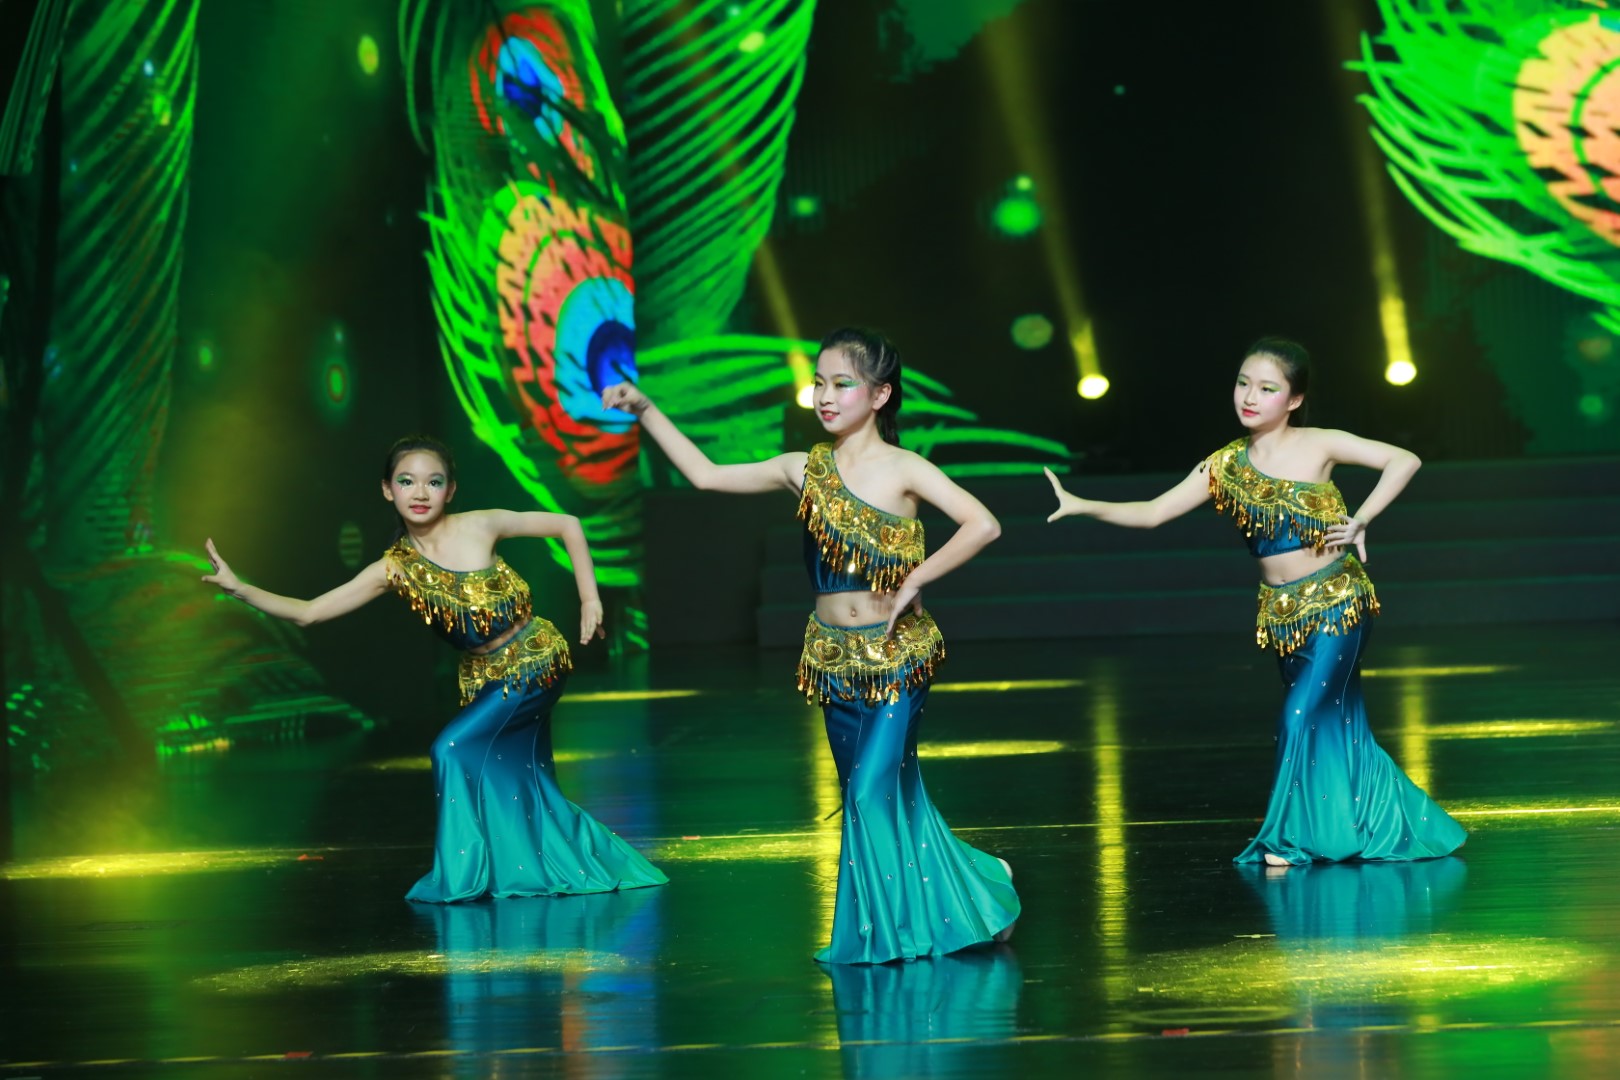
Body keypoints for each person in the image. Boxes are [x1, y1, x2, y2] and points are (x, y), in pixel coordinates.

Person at [602, 327, 1019, 963]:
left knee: (870, 793)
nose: (825, 396)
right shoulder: (803, 468)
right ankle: (978, 887)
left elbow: (982, 524)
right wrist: (645, 408)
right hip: (832, 659)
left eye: (842, 384)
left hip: (897, 655)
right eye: (819, 383)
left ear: (879, 395)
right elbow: (705, 475)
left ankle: (890, 935)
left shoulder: (905, 468)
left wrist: (917, 577)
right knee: (886, 793)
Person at [1045, 337, 1466, 866]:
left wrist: (1361, 518)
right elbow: (1154, 512)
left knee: (1298, 716)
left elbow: (1404, 459)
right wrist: (1082, 504)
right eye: (1244, 383)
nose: (1250, 397)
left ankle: (1288, 840)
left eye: (1267, 388)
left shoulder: (1320, 443)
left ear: (1294, 399)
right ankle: (1377, 825)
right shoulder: (1225, 464)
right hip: (1282, 614)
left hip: (1338, 602)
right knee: (1336, 722)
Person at [200, 435, 668, 901]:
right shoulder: (395, 567)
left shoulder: (481, 524)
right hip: (485, 677)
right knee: (518, 774)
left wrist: (589, 599)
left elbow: (567, 524)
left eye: (433, 482)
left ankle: (462, 877)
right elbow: (310, 612)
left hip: (534, 659)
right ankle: (554, 864)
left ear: (450, 490)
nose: (420, 493)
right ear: (388, 490)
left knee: (450, 749)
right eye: (407, 482)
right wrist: (240, 589)